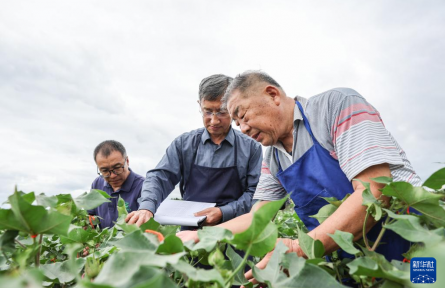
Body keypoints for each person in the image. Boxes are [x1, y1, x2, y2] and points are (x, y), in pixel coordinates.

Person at [177, 70, 421, 282]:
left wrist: (297, 248)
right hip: (354, 257)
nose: (242, 128)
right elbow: (257, 219)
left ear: (272, 95)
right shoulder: (273, 158)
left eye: (242, 116)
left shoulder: (336, 106)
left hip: (413, 237)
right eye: (238, 123)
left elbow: (374, 192)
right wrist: (201, 235)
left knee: (428, 281)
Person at [125, 74, 263, 228]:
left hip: (235, 231)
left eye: (222, 112)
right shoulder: (184, 144)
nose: (214, 120)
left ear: (232, 108)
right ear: (200, 105)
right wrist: (146, 207)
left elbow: (256, 194)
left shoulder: (251, 147)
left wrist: (224, 212)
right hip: (191, 232)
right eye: (208, 111)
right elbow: (159, 177)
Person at [88, 140, 144, 229]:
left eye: (117, 168)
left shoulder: (143, 186)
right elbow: (91, 216)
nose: (113, 176)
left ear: (127, 161)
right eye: (105, 171)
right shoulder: (97, 184)